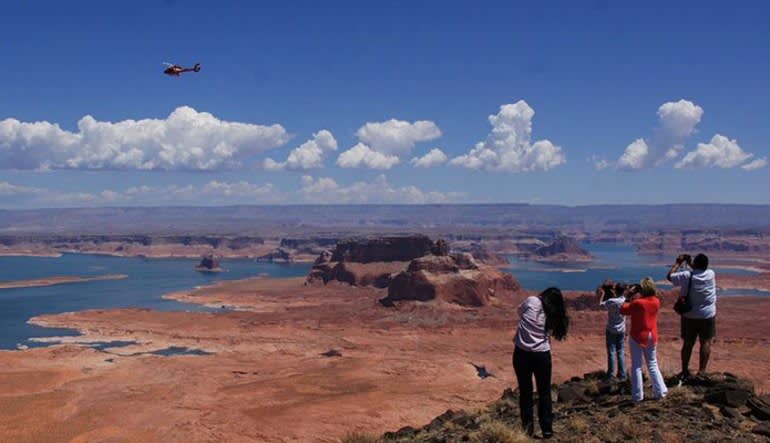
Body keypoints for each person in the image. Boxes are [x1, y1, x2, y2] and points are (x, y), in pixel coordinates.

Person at [513, 287, 570, 439]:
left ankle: (528, 430)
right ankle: (547, 430)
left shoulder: (532, 301)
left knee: (525, 393)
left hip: (522, 354)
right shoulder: (554, 314)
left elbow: (519, 311)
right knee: (544, 393)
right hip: (542, 356)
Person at [667, 253, 717, 379]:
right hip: (708, 315)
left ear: (695, 264)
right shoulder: (711, 274)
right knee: (706, 342)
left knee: (688, 343)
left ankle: (684, 371)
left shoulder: (687, 275)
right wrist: (691, 263)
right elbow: (698, 270)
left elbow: (669, 277)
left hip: (690, 315)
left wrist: (678, 263)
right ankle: (702, 371)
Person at [620, 277, 667, 402]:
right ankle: (661, 392)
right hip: (652, 334)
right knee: (652, 363)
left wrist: (628, 296)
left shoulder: (638, 303)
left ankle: (638, 396)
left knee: (636, 366)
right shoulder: (656, 301)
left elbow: (623, 310)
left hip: (638, 335)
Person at [597, 280, 628, 381]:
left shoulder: (611, 302)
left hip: (611, 329)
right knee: (621, 351)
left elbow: (601, 305)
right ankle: (622, 375)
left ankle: (611, 375)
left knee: (611, 352)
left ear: (616, 291)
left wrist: (602, 294)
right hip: (622, 330)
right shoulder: (625, 301)